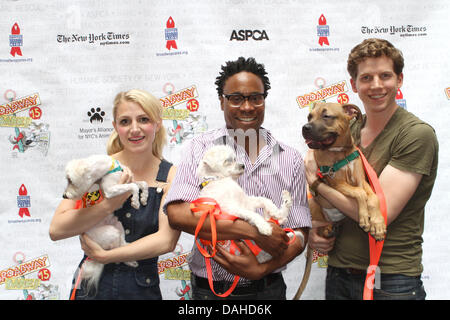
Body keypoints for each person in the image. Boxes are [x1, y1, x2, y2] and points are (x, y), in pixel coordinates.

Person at [164, 57, 311, 300]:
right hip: (210, 292)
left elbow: (300, 230)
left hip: (269, 289)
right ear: (222, 102)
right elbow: (178, 215)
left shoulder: (291, 158)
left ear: (264, 100)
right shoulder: (200, 148)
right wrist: (254, 232)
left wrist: (260, 269)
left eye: (255, 97)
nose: (247, 107)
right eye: (236, 98)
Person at [304, 38, 439, 300]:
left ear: (399, 80)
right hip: (339, 272)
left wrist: (317, 182)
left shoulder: (415, 135)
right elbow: (313, 165)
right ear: (354, 85)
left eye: (385, 75)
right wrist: (315, 229)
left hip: (391, 280)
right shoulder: (346, 129)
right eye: (366, 77)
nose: (376, 85)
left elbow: (380, 212)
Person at [49, 89, 180, 300]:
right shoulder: (96, 169)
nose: (134, 129)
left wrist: (107, 256)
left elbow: (165, 241)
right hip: (91, 287)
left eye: (143, 119)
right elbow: (57, 229)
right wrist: (108, 205)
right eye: (125, 121)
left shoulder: (171, 175)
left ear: (157, 124)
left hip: (142, 290)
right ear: (115, 127)